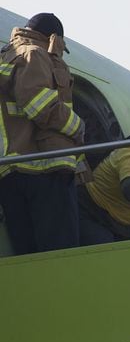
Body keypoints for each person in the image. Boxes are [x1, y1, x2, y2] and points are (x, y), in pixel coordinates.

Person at [0, 13, 86, 254]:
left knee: (29, 256)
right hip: (44, 168)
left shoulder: (9, 55)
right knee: (60, 254)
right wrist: (78, 126)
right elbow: (39, 105)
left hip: (14, 169)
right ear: (53, 37)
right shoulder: (34, 54)